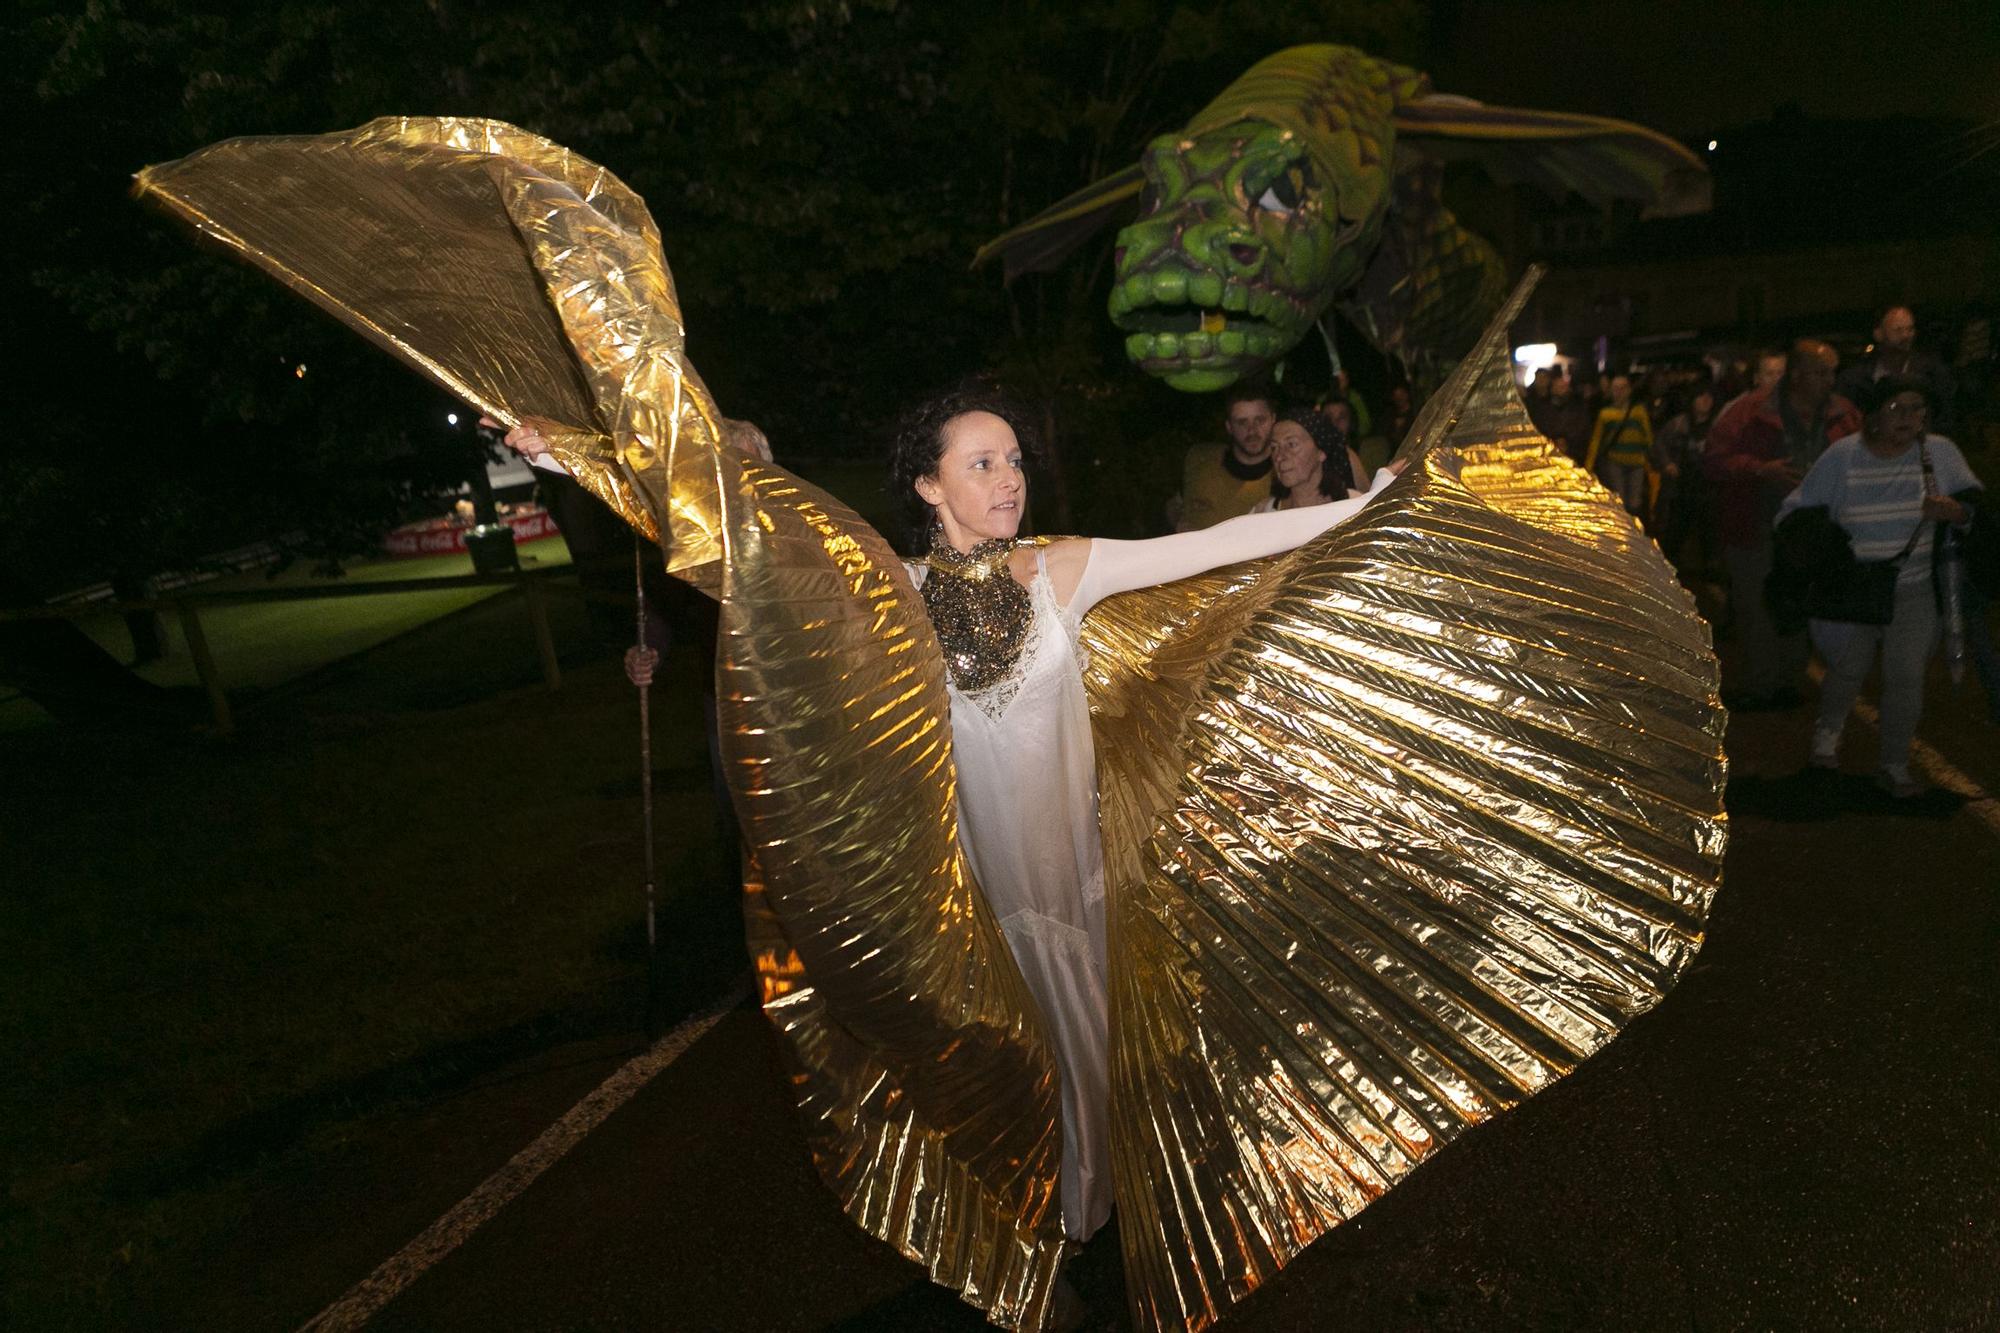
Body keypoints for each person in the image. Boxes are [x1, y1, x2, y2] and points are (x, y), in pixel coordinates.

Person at [881, 385, 1402, 1244]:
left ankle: (1086, 1215)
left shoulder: (1061, 570)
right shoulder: (894, 592)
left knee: (1085, 1046)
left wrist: (1359, 512)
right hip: (974, 887)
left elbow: (1220, 542)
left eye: (1015, 461)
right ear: (929, 487)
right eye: (982, 464)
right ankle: (1024, 1211)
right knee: (1001, 1059)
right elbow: (764, 564)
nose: (1010, 480)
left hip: (1069, 880)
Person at [1775, 378, 1982, 797]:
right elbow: (1794, 512)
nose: (1908, 418)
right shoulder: (1843, 457)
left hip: (1914, 587)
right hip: (1854, 586)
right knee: (1848, 670)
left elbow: (1977, 510)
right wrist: (1823, 547)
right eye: (1896, 408)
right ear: (1871, 415)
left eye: (1916, 408)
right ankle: (1826, 742)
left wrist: (1957, 512)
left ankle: (1894, 764)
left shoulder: (1939, 453)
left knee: (1906, 676)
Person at [1703, 339, 1861, 709]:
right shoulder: (1747, 412)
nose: (1829, 380)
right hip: (1755, 526)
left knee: (1801, 606)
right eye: (1821, 373)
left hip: (1814, 533)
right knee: (1757, 609)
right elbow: (1713, 460)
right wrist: (1760, 470)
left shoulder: (1844, 414)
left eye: (1831, 373)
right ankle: (1762, 685)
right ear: (1798, 375)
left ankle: (1790, 681)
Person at [1837, 305, 1958, 436]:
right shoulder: (1855, 379)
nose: (1906, 336)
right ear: (1878, 334)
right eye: (1898, 330)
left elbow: (1945, 418)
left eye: (1910, 329)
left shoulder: (1932, 373)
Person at [1173, 385, 1277, 530]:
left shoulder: (1286, 475)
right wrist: (1179, 521)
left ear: (1273, 419)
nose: (1252, 430)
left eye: (1260, 420)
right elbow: (1176, 504)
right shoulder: (1201, 460)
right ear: (1229, 426)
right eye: (1242, 422)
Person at [1652, 383, 1719, 572]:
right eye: (1701, 396)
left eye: (1709, 397)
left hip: (1705, 486)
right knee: (1676, 528)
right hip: (1680, 487)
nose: (1705, 401)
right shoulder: (1678, 424)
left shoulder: (1717, 425)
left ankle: (1707, 568)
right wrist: (1667, 464)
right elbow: (1659, 446)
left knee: (1707, 529)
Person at [1252, 407, 1364, 512]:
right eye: (1274, 447)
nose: (1280, 456)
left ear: (1321, 452)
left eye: (1291, 444)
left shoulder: (1355, 507)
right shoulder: (1264, 514)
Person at [1584, 373, 1655, 519]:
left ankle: (1633, 533)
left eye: (1623, 388)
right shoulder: (1606, 414)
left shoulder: (1638, 412)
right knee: (1621, 500)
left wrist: (1650, 459)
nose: (1619, 392)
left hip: (1636, 462)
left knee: (1635, 502)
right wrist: (1588, 466)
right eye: (1616, 388)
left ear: (1629, 390)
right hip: (1615, 462)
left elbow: (1648, 437)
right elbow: (1596, 440)